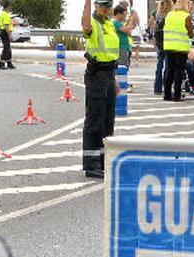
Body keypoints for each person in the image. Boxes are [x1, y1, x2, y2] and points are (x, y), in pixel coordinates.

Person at [81, 0, 120, 179]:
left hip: (109, 74)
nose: (106, 9)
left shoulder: (109, 25)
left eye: (108, 6)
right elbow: (85, 24)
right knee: (94, 120)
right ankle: (91, 164)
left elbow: (111, 54)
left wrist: (116, 79)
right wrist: (87, 3)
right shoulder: (94, 23)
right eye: (103, 5)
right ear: (96, 6)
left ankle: (105, 160)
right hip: (96, 75)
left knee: (107, 121)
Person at [162, 0, 194, 101]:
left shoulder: (169, 15)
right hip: (180, 48)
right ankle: (177, 95)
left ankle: (167, 94)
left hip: (168, 46)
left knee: (169, 71)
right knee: (178, 72)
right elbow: (190, 33)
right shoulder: (186, 16)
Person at [153, 0, 174, 95]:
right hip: (168, 41)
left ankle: (157, 88)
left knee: (159, 65)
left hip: (159, 42)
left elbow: (155, 27)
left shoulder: (158, 13)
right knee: (168, 65)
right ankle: (166, 86)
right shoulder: (171, 14)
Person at [0, 0, 16, 70]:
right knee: (6, 48)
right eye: (10, 7)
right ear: (8, 7)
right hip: (6, 32)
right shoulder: (6, 15)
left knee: (8, 48)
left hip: (2, 32)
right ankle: (1, 63)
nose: (10, 9)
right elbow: (6, 25)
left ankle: (9, 63)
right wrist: (10, 35)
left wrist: (0, 32)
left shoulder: (1, 14)